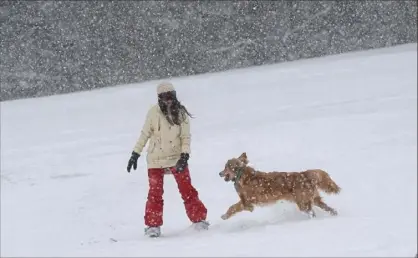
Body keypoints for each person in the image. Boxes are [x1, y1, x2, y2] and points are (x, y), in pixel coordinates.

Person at [126, 81, 209, 237]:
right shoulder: (153, 113)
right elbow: (145, 134)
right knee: (155, 193)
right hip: (156, 159)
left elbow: (185, 137)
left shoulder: (182, 114)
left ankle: (199, 220)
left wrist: (184, 156)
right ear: (159, 98)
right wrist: (135, 153)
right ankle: (153, 226)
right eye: (164, 97)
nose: (168, 100)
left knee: (187, 190)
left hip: (176, 157)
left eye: (171, 96)